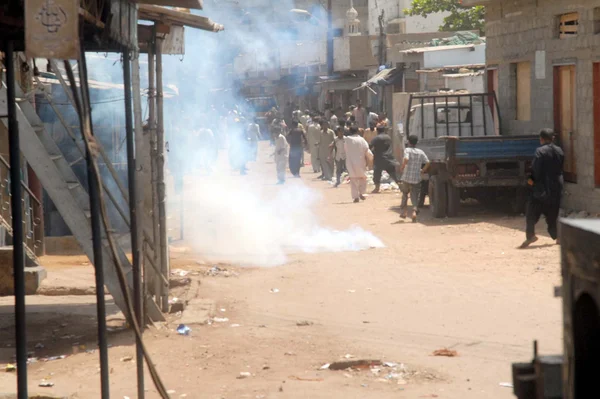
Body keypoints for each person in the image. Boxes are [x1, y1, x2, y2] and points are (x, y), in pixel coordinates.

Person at [520, 128, 564, 249]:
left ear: (541, 139)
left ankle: (531, 236)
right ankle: (557, 237)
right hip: (556, 186)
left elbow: (536, 171)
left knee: (531, 212)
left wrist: (529, 183)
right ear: (553, 138)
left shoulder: (540, 151)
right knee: (553, 213)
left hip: (542, 187)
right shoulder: (559, 150)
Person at [399, 135, 430, 222]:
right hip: (416, 178)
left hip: (406, 177)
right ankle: (414, 212)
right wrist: (422, 170)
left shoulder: (407, 150)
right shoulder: (420, 152)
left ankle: (404, 212)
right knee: (415, 196)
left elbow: (406, 158)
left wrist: (402, 167)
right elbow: (428, 162)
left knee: (405, 194)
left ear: (408, 142)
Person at [344, 125, 372, 203]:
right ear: (357, 131)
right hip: (360, 161)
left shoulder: (347, 140)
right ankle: (362, 193)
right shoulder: (361, 139)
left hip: (351, 162)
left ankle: (355, 197)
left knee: (353, 179)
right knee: (363, 178)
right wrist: (371, 158)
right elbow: (367, 149)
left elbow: (345, 149)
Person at [370, 126, 399, 193]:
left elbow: (370, 146)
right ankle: (401, 186)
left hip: (379, 159)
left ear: (377, 131)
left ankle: (377, 188)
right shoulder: (388, 137)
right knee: (393, 174)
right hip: (389, 158)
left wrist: (372, 152)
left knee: (377, 174)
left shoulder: (376, 138)